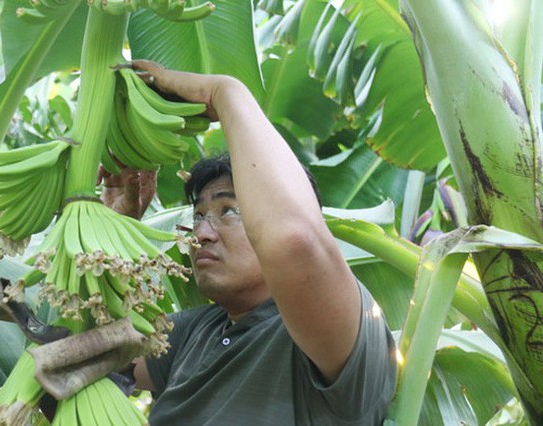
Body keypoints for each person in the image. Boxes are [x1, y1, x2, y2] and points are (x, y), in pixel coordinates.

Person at [100, 60, 397, 425]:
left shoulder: (339, 333)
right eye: (198, 216)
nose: (202, 234)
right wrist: (114, 223)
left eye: (229, 211)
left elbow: (294, 241)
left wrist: (224, 92)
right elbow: (86, 354)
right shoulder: (195, 332)